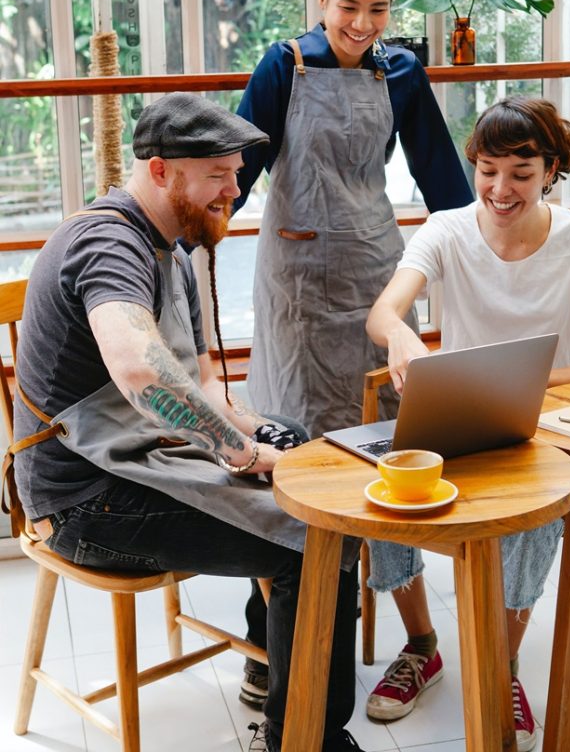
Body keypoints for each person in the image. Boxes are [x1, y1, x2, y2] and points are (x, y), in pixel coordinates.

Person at [11, 93, 365, 752]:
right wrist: (240, 453)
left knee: (299, 446)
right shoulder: (108, 243)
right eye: (217, 175)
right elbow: (141, 371)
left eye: (236, 173)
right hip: (85, 501)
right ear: (160, 171)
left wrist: (258, 434)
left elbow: (201, 379)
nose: (234, 190)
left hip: (135, 457)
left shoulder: (171, 248)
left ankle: (272, 665)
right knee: (317, 535)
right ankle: (304, 740)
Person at [233, 0, 472, 708]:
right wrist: (170, 239)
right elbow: (235, 175)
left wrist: (492, 255)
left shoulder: (401, 72)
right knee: (289, 451)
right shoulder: (282, 66)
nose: (362, 24)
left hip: (374, 280)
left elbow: (445, 185)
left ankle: (411, 635)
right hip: (296, 289)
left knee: (383, 449)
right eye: (347, 7)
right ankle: (269, 634)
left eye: (377, 10)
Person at [364, 95, 570, 750]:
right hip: (453, 422)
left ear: (551, 171)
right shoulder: (447, 229)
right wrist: (401, 337)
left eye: (520, 172)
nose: (500, 189)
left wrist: (548, 385)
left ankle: (501, 660)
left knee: (535, 518)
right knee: (380, 486)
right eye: (488, 171)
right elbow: (383, 313)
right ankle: (421, 646)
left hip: (541, 428)